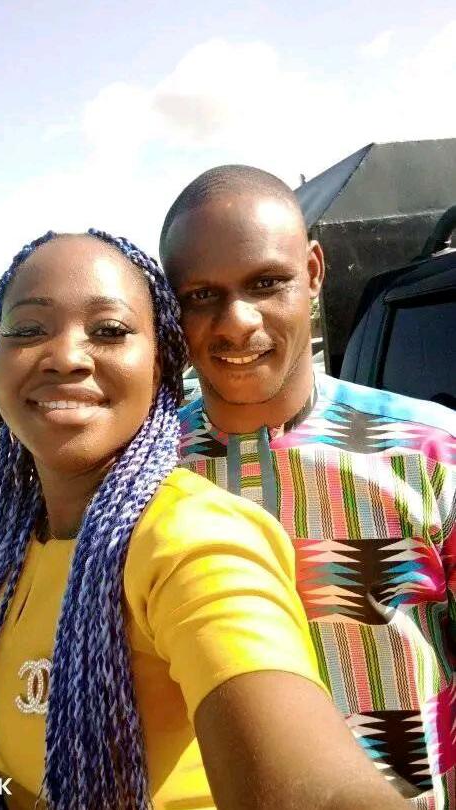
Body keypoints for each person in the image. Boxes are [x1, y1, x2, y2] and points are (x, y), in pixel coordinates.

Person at [0, 228, 409, 810]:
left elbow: (318, 790)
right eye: (29, 329)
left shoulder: (191, 540)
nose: (65, 356)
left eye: (109, 330)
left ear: (161, 365)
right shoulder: (0, 547)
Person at [159, 165, 456, 808]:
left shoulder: (434, 453)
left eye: (267, 283)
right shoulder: (142, 476)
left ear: (314, 272)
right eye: (201, 295)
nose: (237, 322)